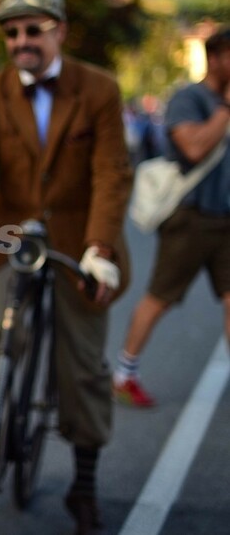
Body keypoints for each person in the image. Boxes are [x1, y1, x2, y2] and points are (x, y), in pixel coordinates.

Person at [0, 0, 133, 535]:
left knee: (80, 366)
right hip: (13, 239)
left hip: (80, 243)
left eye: (33, 29)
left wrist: (100, 250)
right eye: (12, 33)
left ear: (59, 31)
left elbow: (112, 173)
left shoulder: (99, 89)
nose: (21, 41)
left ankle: (83, 485)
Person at [112, 26, 230, 408]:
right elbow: (193, 147)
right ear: (215, 58)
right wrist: (226, 108)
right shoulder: (190, 97)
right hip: (191, 217)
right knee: (160, 297)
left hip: (226, 218)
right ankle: (124, 374)